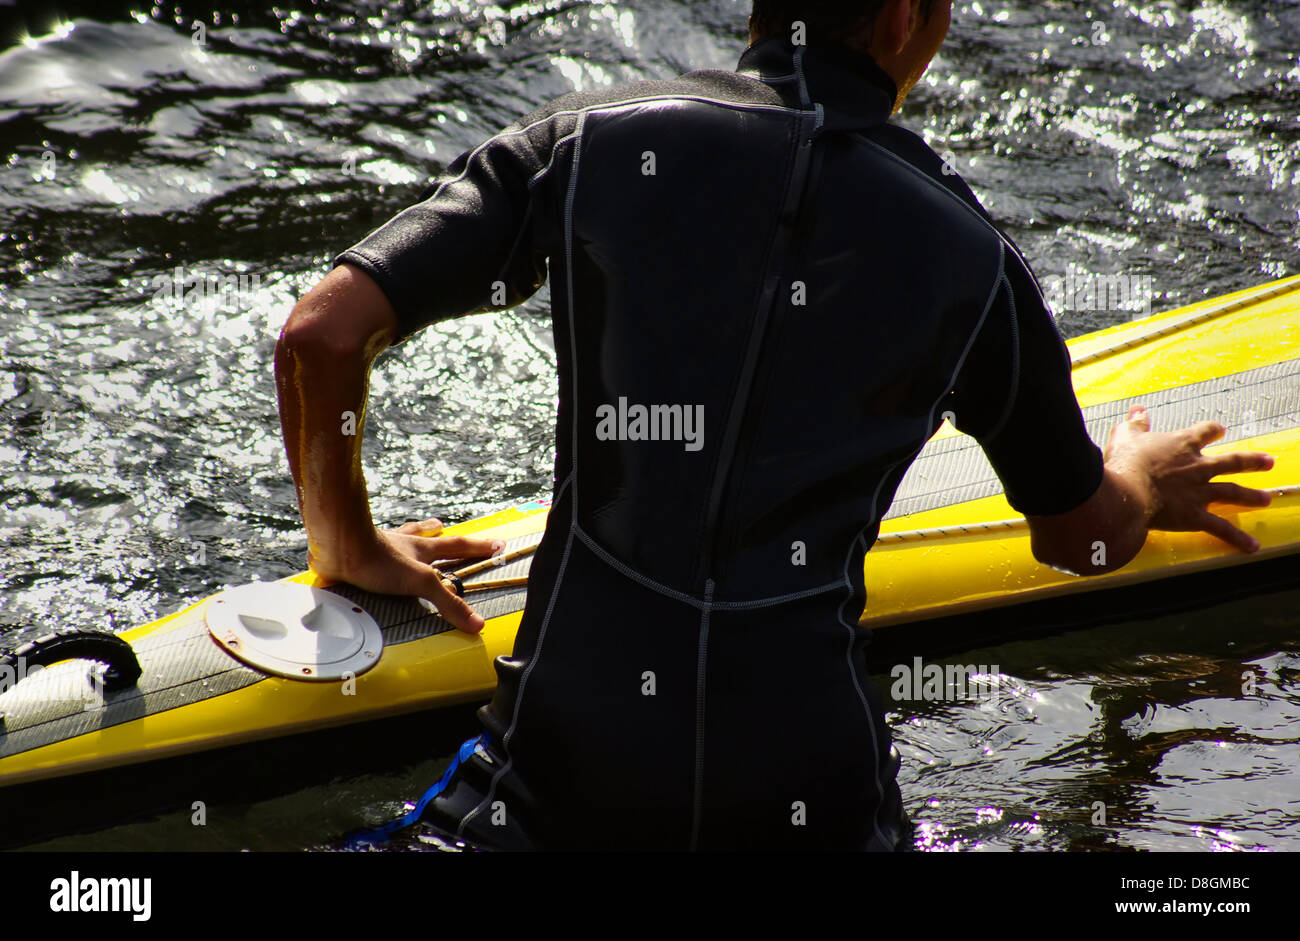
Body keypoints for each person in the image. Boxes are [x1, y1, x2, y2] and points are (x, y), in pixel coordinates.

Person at [274, 0, 1274, 850]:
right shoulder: (969, 255)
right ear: (896, 22)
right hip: (812, 796)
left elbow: (321, 337)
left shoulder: (592, 142)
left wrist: (347, 543)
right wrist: (1142, 474)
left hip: (568, 779)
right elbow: (1079, 537)